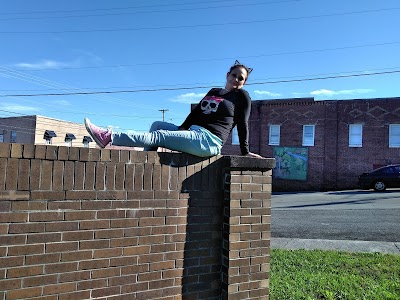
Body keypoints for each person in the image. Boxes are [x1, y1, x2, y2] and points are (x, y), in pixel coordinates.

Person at [84, 60, 263, 158]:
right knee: (156, 125)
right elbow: (196, 113)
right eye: (234, 75)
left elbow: (242, 124)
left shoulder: (242, 96)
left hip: (209, 141)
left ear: (244, 82)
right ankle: (148, 163)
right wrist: (181, 129)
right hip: (193, 132)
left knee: (159, 136)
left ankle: (109, 137)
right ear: (227, 75)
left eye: (241, 78)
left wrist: (245, 152)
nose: (236, 80)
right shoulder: (214, 91)